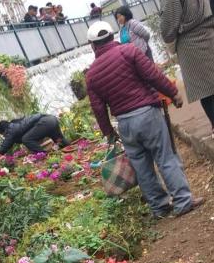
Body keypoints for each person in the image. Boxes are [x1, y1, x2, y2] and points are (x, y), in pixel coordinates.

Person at [85, 20, 203, 219]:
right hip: (147, 114)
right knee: (165, 157)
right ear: (112, 37)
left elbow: (98, 108)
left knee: (141, 166)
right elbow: (153, 75)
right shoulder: (129, 51)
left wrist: (109, 133)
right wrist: (173, 93)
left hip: (125, 123)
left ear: (92, 45)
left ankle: (159, 207)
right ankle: (182, 201)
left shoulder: (92, 75)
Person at [160, 0, 214, 138]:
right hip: (191, 44)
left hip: (207, 36)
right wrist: (172, 47)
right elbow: (168, 27)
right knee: (206, 89)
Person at [0, 114, 68, 155]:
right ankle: (71, 147)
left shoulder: (11, 129)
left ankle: (43, 155)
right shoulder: (16, 124)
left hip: (45, 122)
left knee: (26, 139)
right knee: (61, 141)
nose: (4, 136)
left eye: (3, 134)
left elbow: (4, 147)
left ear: (5, 130)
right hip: (51, 119)